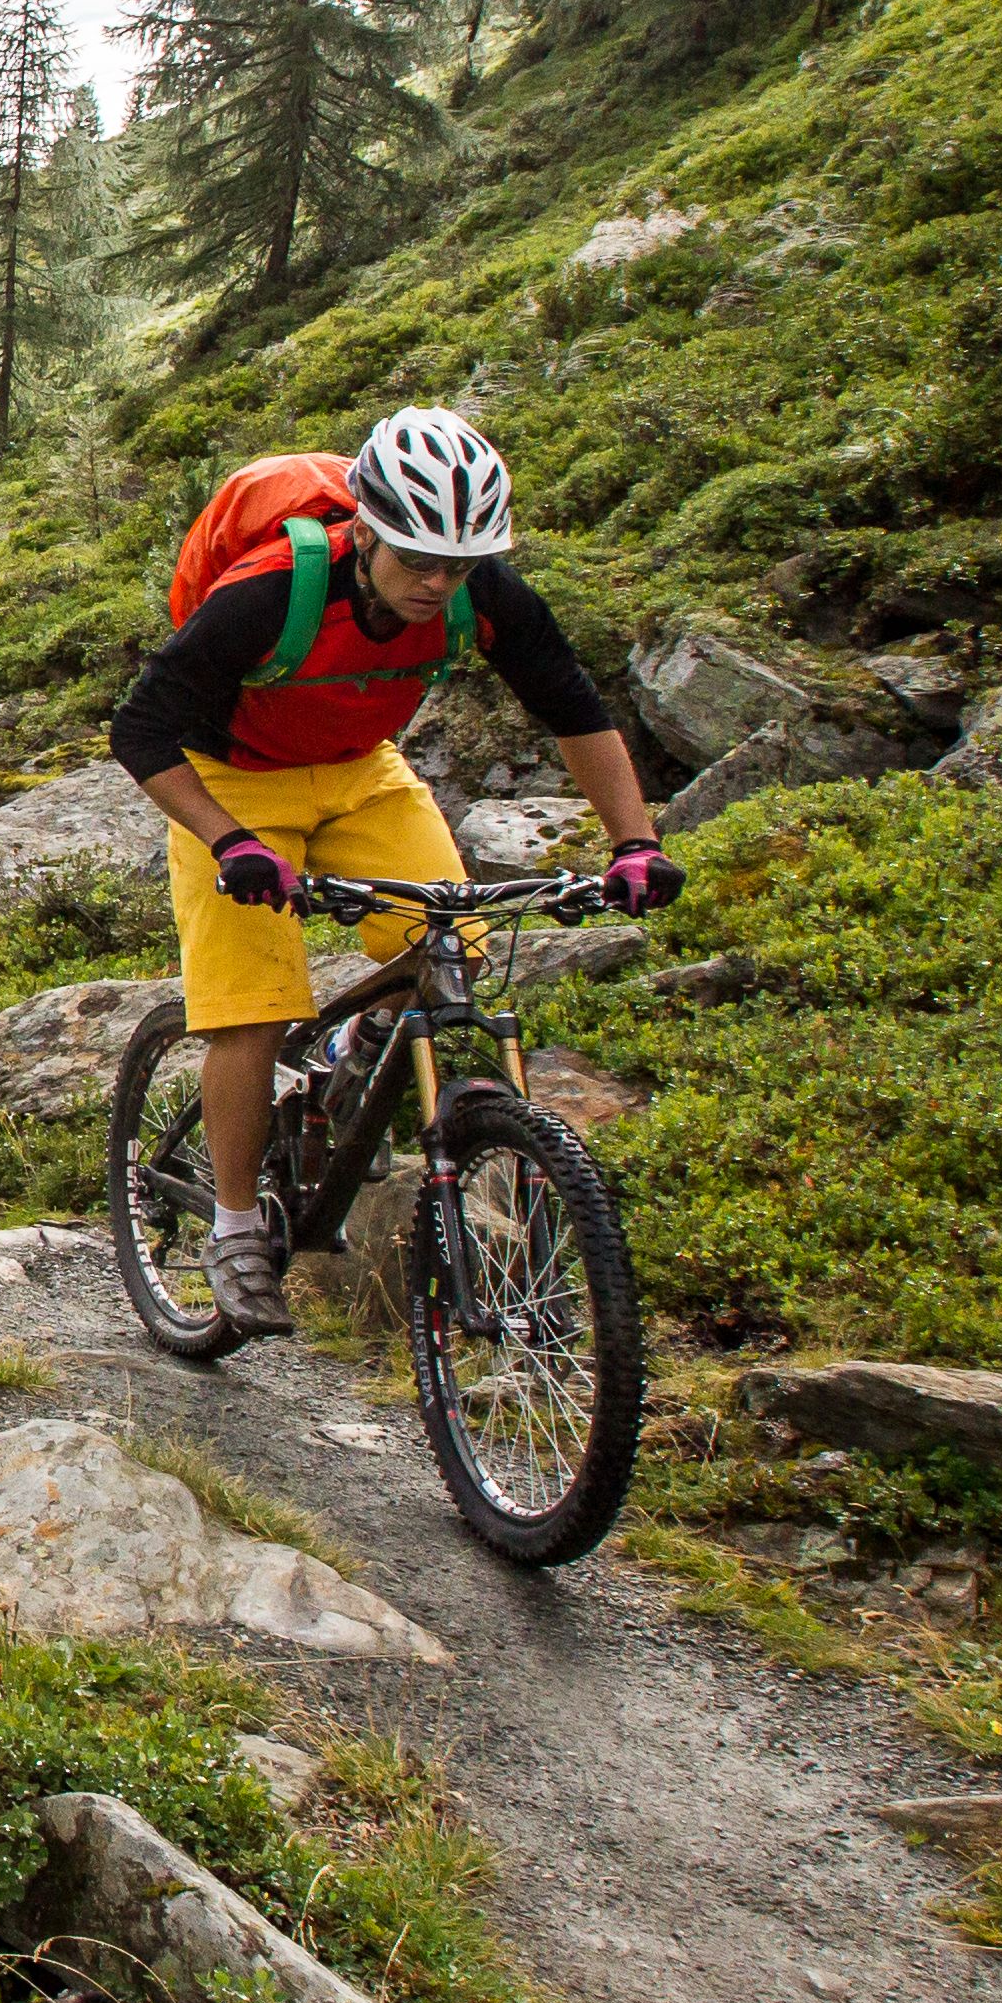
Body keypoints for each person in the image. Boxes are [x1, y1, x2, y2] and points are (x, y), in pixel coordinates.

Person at [110, 407, 676, 1338]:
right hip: (233, 779)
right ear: (364, 531)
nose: (436, 583)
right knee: (250, 1008)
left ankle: (348, 1061)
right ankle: (238, 1228)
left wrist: (634, 842)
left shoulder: (477, 590)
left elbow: (571, 704)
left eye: (457, 564)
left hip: (363, 769)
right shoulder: (268, 593)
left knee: (452, 941)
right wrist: (229, 841)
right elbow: (139, 729)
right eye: (415, 559)